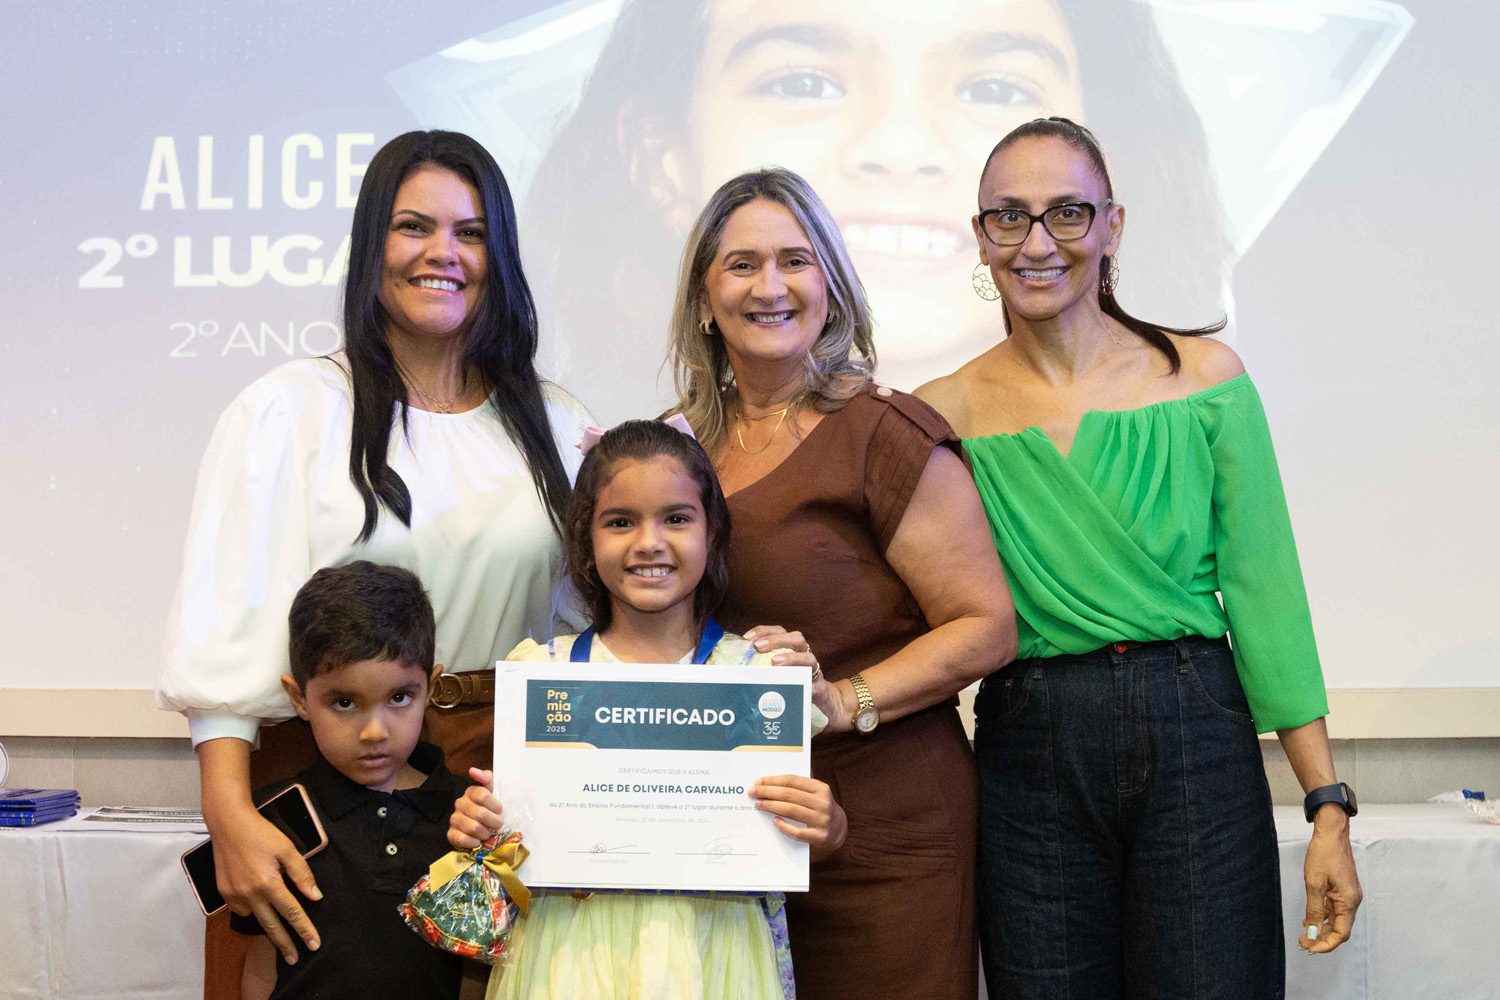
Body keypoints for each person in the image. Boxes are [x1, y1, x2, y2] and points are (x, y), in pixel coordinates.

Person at [915, 116, 1363, 998]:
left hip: (1196, 729)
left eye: (1067, 212)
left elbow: (1267, 599)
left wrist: (1326, 806)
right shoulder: (940, 414)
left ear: (1112, 225)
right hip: (1029, 744)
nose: (1037, 242)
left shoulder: (1206, 380)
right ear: (981, 234)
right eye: (1009, 216)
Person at [156, 130, 592, 992]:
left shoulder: (556, 425)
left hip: (492, 790)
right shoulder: (291, 410)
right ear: (371, 246)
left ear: (500, 255)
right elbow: (226, 621)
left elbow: (595, 629)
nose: (443, 253)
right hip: (325, 780)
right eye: (413, 227)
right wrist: (229, 812)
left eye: (471, 233)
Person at [514, 0, 1229, 410]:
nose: (900, 145)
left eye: (994, 88)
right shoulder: (630, 449)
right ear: (660, 157)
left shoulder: (1197, 387)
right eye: (803, 83)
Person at [665, 167, 1016, 1000]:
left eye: (796, 260)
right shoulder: (674, 449)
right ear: (705, 300)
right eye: (742, 264)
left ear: (831, 287)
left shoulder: (883, 432)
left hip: (885, 838)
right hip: (726, 830)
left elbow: (987, 625)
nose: (771, 286)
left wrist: (841, 700)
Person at [449, 418, 846, 1000]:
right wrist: (482, 828)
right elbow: (511, 844)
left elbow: (807, 835)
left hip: (713, 954)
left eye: (676, 519)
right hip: (567, 956)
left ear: (713, 533)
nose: (649, 543)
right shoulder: (544, 671)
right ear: (586, 539)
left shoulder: (758, 675)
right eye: (620, 522)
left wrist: (826, 825)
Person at [233, 561, 465, 1000]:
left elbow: (476, 975)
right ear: (299, 698)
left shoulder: (467, 817)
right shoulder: (271, 821)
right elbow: (261, 971)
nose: (374, 731)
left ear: (431, 688)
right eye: (343, 703)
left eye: (400, 697)